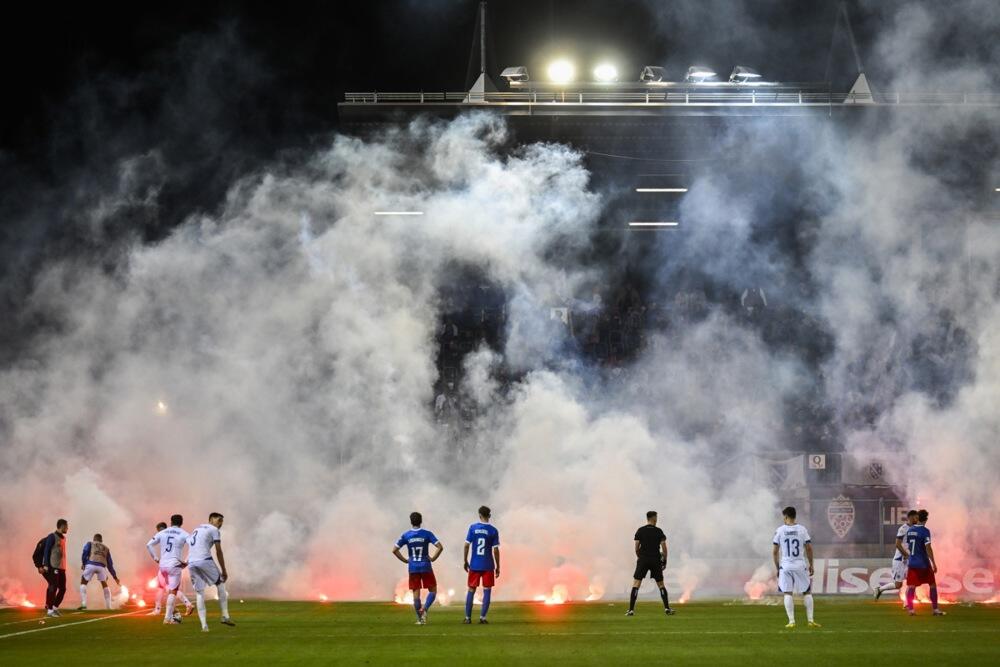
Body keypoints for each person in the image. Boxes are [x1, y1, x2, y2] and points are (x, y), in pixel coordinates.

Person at [186, 512, 235, 631]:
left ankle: (204, 626)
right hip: (204, 560)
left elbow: (192, 546)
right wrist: (224, 570)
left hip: (191, 562)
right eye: (219, 521)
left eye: (222, 521)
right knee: (221, 583)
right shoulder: (214, 530)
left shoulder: (197, 529)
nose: (220, 524)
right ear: (211, 520)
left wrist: (186, 561)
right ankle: (225, 616)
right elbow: (219, 551)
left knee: (199, 592)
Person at [393, 511, 444, 625]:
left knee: (416, 593)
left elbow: (394, 550)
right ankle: (425, 609)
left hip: (413, 568)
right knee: (433, 591)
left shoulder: (406, 535)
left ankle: (420, 619)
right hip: (426, 566)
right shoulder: (427, 534)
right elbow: (440, 547)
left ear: (411, 522)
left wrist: (405, 560)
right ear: (421, 521)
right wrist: (434, 558)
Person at [773, 506, 819, 628]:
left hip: (786, 565)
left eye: (784, 516)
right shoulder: (802, 530)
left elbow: (775, 551)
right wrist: (811, 564)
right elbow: (808, 548)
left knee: (787, 593)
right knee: (807, 592)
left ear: (786, 517)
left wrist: (778, 568)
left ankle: (792, 621)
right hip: (800, 564)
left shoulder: (780, 530)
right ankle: (810, 620)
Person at [627, 511, 675, 616]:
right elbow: (664, 549)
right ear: (654, 518)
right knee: (661, 584)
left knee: (636, 584)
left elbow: (636, 548)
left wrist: (641, 558)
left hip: (643, 559)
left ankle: (631, 610)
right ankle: (667, 608)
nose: (657, 519)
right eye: (656, 517)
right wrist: (664, 560)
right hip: (655, 559)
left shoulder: (640, 530)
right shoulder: (659, 531)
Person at [146, 514, 190, 625]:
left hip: (162, 566)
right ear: (181, 523)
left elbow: (149, 545)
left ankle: (166, 612)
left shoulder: (162, 532)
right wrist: (186, 561)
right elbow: (193, 546)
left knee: (166, 589)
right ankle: (167, 618)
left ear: (170, 522)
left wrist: (156, 558)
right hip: (174, 565)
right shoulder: (184, 533)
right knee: (172, 591)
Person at [463, 505, 500, 625]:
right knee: (487, 591)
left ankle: (468, 618)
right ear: (489, 515)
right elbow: (495, 550)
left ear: (479, 515)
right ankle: (482, 618)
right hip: (488, 565)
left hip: (474, 564)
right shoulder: (493, 530)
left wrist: (465, 560)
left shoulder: (473, 528)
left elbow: (466, 545)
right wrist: (498, 566)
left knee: (471, 590)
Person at [904, 509, 945, 616]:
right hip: (923, 563)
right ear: (926, 519)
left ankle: (911, 610)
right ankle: (935, 609)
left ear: (917, 518)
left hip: (912, 563)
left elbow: (909, 545)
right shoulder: (925, 531)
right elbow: (928, 548)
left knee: (912, 586)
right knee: (932, 585)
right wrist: (934, 563)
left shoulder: (910, 530)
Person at [874, 510, 918, 601]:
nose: (917, 519)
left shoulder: (916, 529)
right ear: (910, 517)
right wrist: (906, 554)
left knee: (912, 581)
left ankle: (908, 602)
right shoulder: (903, 528)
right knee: (898, 585)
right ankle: (880, 589)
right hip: (900, 560)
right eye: (915, 517)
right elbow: (897, 544)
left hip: (909, 560)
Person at [77, 534, 120, 610]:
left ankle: (84, 604)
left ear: (94, 539)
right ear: (101, 540)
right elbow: (110, 564)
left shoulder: (90, 543)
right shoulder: (106, 548)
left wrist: (84, 564)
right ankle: (108, 607)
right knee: (104, 584)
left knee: (83, 582)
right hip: (102, 567)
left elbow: (85, 553)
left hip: (91, 564)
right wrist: (115, 577)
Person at [39, 519, 69, 618]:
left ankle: (55, 607)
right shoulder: (52, 536)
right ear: (62, 526)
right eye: (66, 526)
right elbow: (47, 550)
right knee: (53, 587)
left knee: (63, 589)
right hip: (53, 567)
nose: (67, 528)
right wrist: (46, 565)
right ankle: (50, 610)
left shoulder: (64, 538)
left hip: (62, 568)